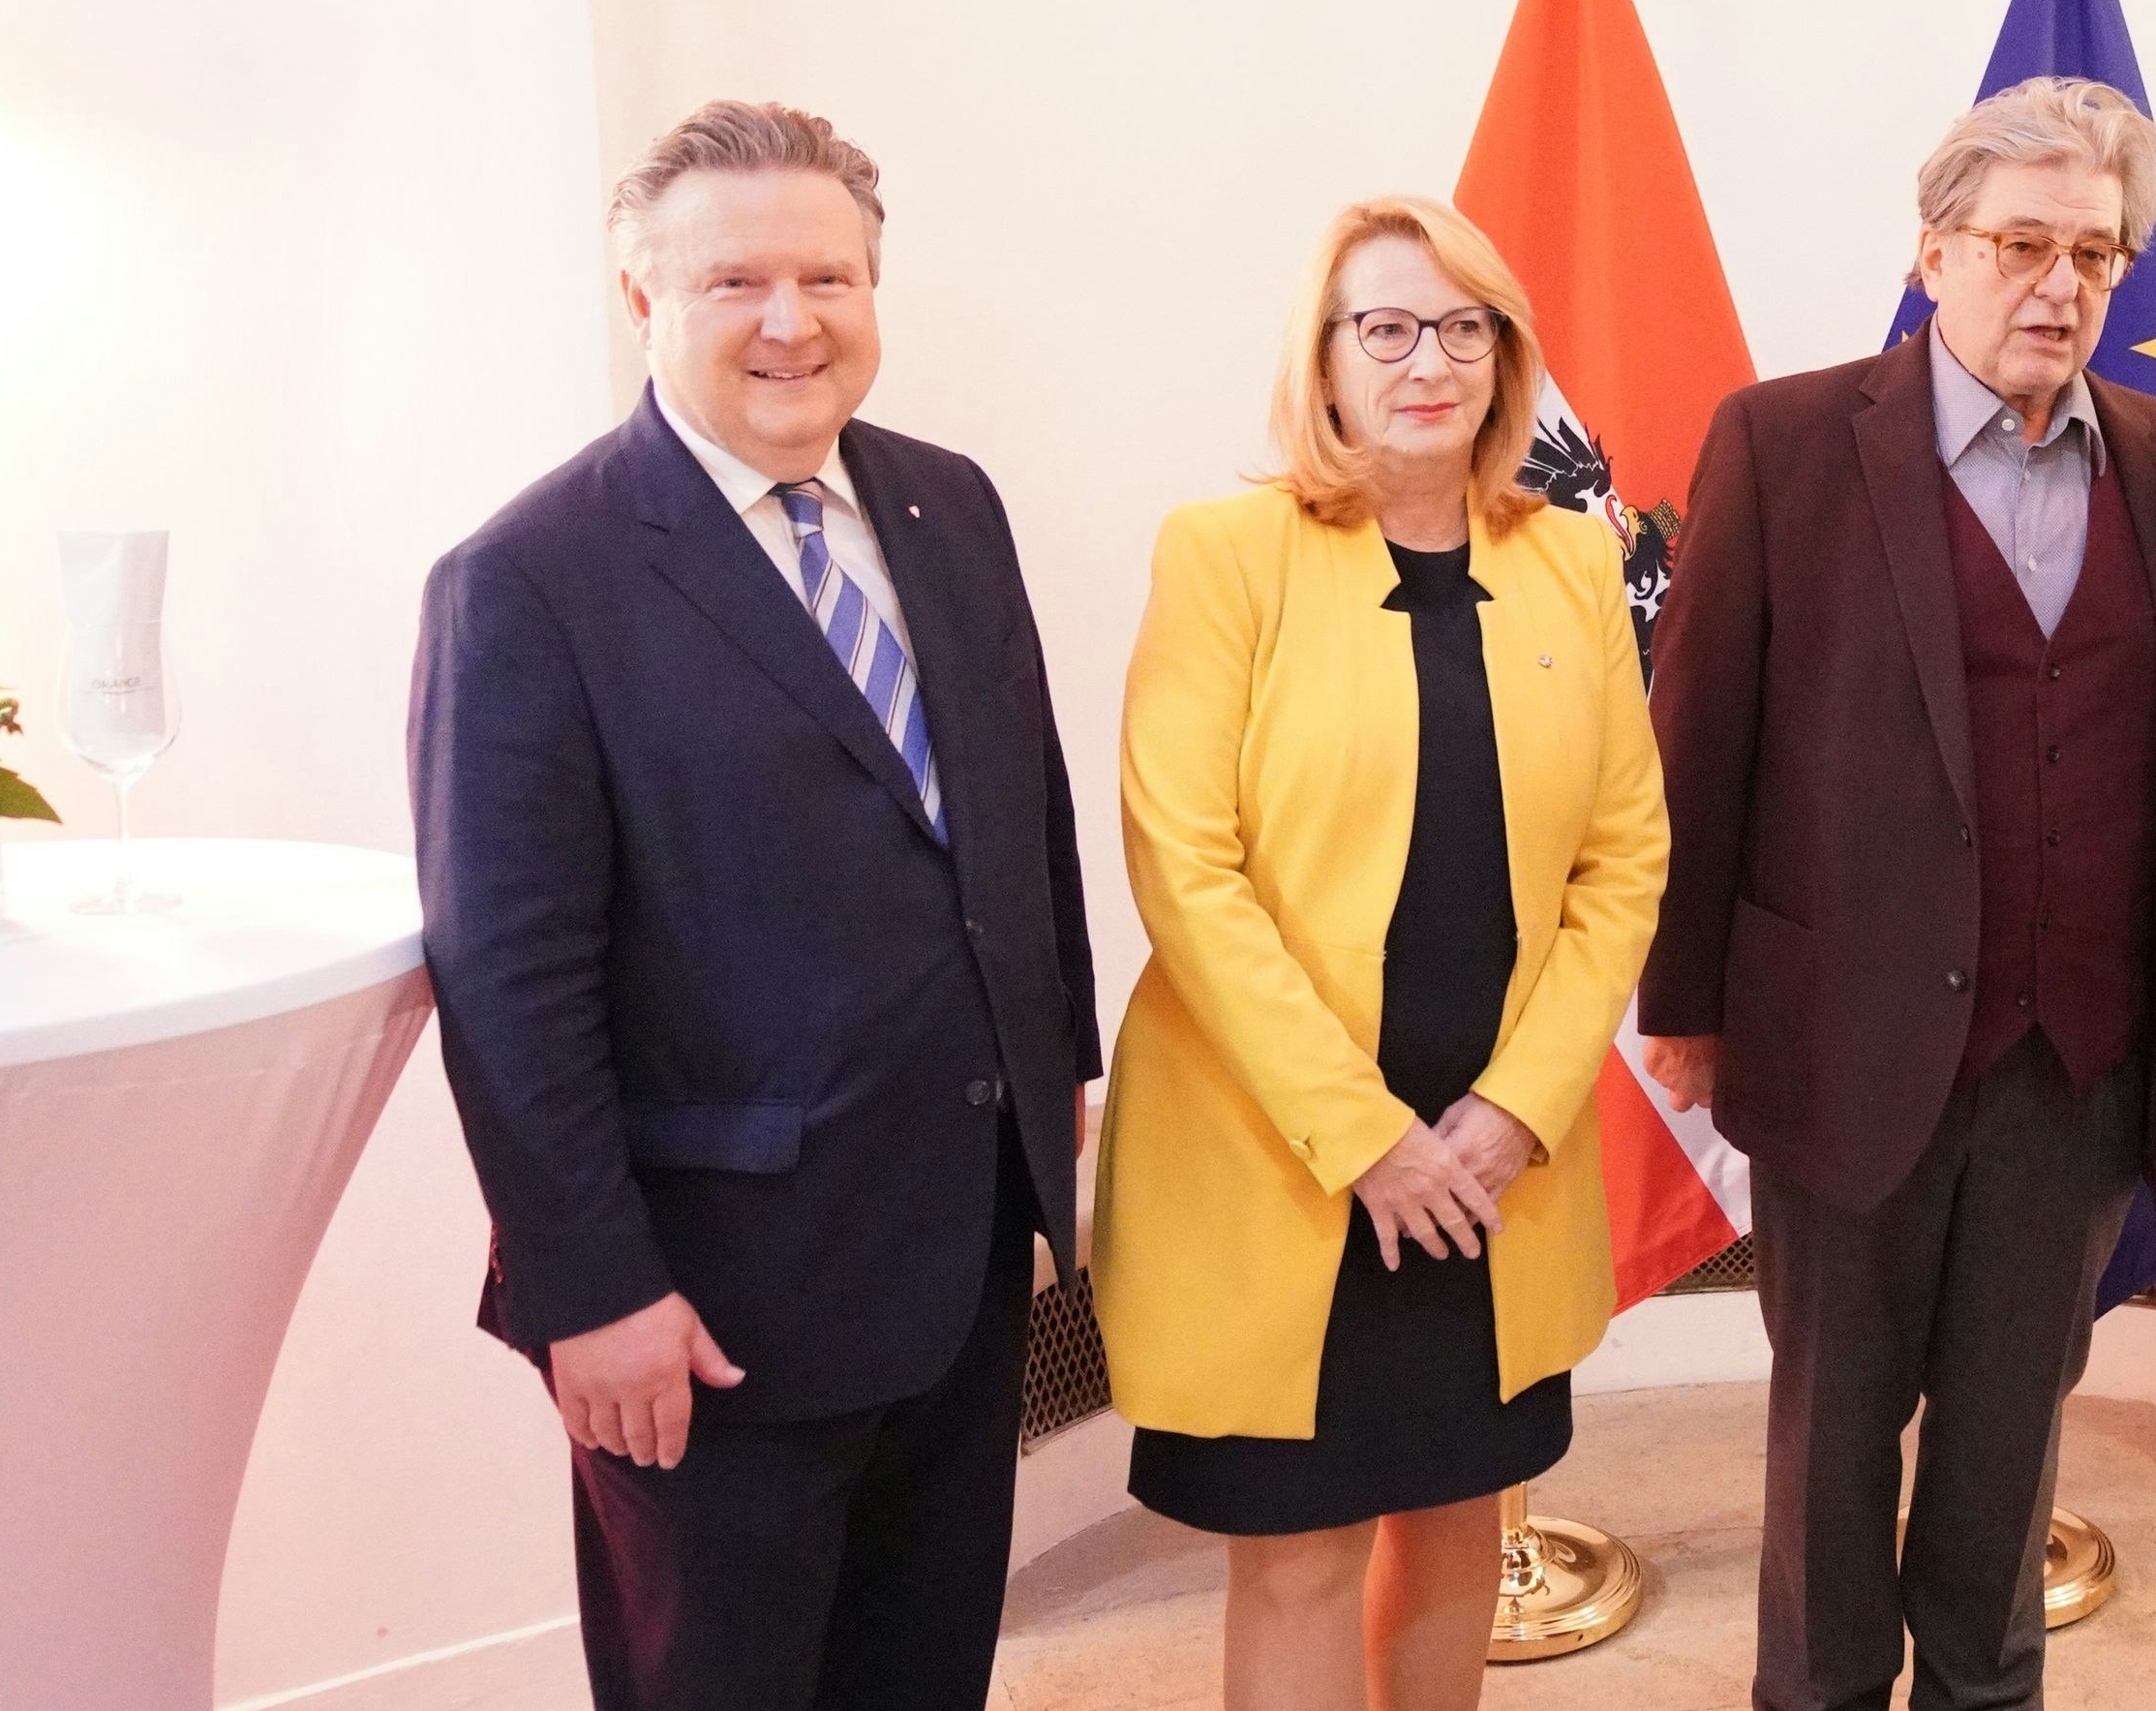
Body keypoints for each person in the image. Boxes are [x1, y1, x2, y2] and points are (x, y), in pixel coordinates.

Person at [410, 101, 1104, 1711]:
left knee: (919, 1676)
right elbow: (511, 987)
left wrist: (1054, 1111)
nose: (791, 321)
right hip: (707, 1314)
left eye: (828, 277)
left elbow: (1023, 826)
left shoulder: (953, 504)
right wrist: (593, 1292)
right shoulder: (527, 580)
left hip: (957, 1258)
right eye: (734, 283)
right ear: (642, 297)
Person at [1639, 75, 2156, 1711]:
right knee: (1829, 1455)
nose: (2060, 285)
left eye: (2095, 253)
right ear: (1936, 250)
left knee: (2006, 1455)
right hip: (1840, 1045)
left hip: (2075, 1058)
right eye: (2021, 242)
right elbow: (1703, 732)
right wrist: (1683, 1003)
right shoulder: (1791, 439)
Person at [1090, 195, 1667, 1711]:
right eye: (1388, 326)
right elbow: (1183, 863)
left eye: (1463, 326)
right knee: (1298, 1551)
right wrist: (1369, 1140)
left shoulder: (1572, 567)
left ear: (1506, 356)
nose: (1428, 358)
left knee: (1460, 1519)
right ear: (1326, 361)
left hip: (1491, 1169)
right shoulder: (1227, 553)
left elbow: (1625, 859)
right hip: (1288, 1155)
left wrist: (1512, 1113)